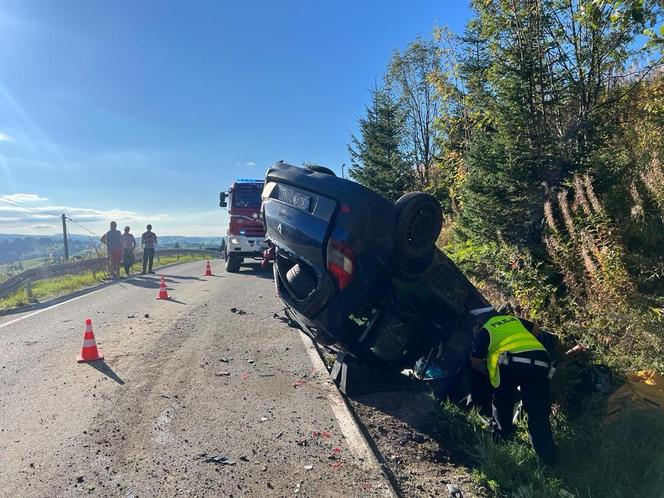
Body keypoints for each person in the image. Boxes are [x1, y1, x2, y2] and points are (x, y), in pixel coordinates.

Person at [469, 307, 558, 464]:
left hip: (512, 363)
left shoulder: (486, 330)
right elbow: (536, 328)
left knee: (502, 400)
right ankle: (549, 459)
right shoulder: (513, 319)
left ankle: (501, 439)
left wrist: (486, 360)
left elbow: (474, 361)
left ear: (480, 321)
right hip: (542, 360)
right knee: (538, 413)